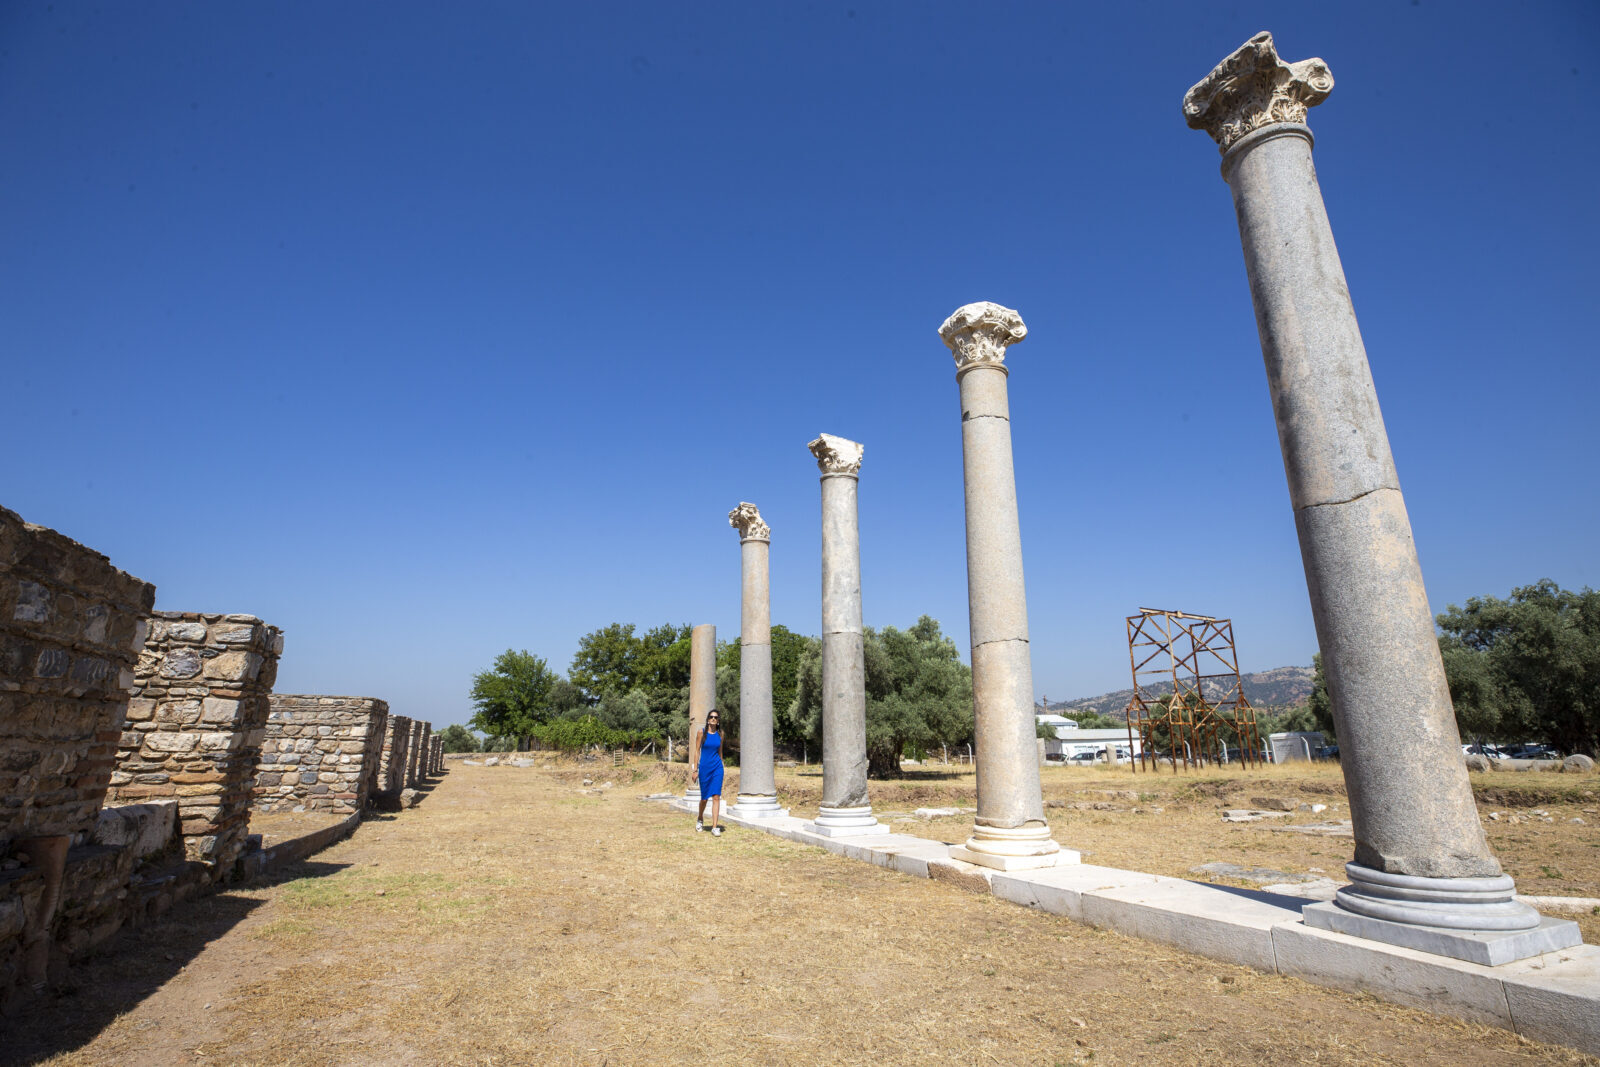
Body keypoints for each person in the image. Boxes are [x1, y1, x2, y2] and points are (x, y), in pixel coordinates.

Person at [691, 708, 725, 836]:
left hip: (717, 767)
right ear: (708, 719)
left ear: (718, 721)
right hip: (704, 768)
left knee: (716, 796)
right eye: (711, 717)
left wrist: (722, 765)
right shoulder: (701, 732)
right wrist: (695, 769)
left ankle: (715, 827)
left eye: (716, 718)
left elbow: (720, 752)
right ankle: (700, 818)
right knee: (704, 798)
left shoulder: (720, 734)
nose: (713, 719)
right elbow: (696, 751)